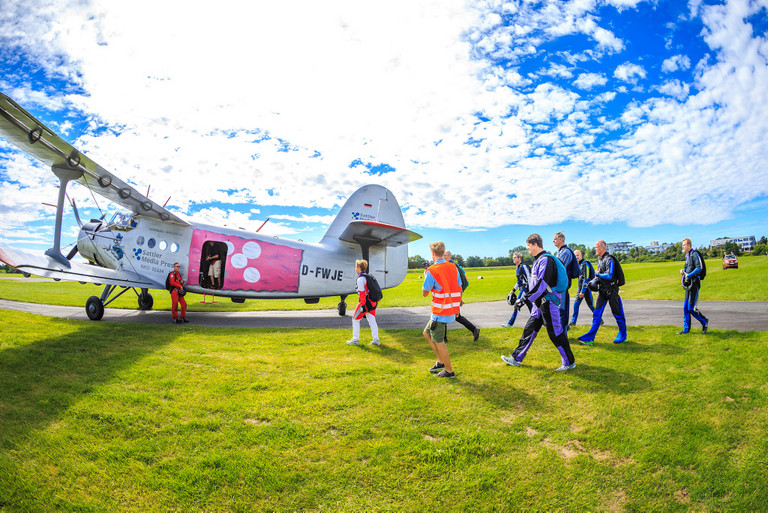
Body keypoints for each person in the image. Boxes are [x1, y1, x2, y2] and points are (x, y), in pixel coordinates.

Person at [501, 234, 576, 371]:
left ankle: (569, 362)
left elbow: (542, 284)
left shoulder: (546, 260)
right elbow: (533, 284)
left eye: (528, 245)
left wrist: (524, 299)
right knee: (529, 329)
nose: (527, 248)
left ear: (535, 244)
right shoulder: (537, 261)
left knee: (555, 332)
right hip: (538, 303)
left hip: (549, 302)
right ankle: (516, 358)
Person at [422, 241, 462, 378]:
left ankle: (449, 371)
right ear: (443, 252)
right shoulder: (453, 267)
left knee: (439, 341)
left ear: (433, 254)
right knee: (427, 333)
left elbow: (424, 292)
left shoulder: (431, 271)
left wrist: (425, 277)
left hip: (440, 312)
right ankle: (440, 362)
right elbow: (459, 286)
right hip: (450, 308)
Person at [577, 240, 627, 345]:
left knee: (618, 314)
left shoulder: (609, 259)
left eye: (596, 247)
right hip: (602, 291)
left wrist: (598, 274)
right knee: (596, 314)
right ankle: (590, 338)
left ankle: (623, 336)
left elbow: (609, 275)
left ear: (601, 248)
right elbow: (600, 274)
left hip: (612, 291)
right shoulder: (600, 259)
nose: (594, 249)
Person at [444, 250, 479, 341]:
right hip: (453, 295)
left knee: (449, 315)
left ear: (448, 256)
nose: (443, 257)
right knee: (454, 316)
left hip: (451, 296)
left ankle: (443, 338)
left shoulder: (452, 267)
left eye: (444, 255)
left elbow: (460, 284)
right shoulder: (455, 267)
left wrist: (459, 298)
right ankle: (474, 329)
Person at [678, 238, 709, 335]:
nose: (683, 247)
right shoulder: (687, 256)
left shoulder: (694, 254)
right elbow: (686, 267)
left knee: (691, 308)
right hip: (688, 284)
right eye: (682, 245)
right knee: (685, 308)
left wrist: (689, 275)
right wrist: (683, 270)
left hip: (694, 284)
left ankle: (704, 322)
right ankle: (686, 330)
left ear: (689, 246)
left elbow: (699, 268)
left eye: (684, 245)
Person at [346, 259, 380, 346]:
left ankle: (355, 340)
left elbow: (362, 294)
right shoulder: (367, 277)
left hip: (365, 303)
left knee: (355, 320)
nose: (355, 269)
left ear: (359, 268)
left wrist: (363, 306)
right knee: (372, 321)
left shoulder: (360, 279)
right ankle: (376, 340)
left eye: (356, 267)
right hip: (373, 303)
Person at [553, 232, 575, 332]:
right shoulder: (560, 252)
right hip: (560, 285)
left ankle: (563, 334)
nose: (553, 241)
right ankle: (564, 329)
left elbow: (560, 269)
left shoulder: (565, 252)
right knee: (559, 310)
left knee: (562, 311)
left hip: (563, 286)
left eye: (555, 239)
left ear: (561, 239)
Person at [503, 252, 531, 327]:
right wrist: (513, 290)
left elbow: (529, 278)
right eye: (513, 258)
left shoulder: (523, 266)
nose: (513, 259)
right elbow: (519, 281)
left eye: (515, 257)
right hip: (523, 288)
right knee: (531, 307)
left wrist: (530, 289)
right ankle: (541, 322)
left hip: (525, 289)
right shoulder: (517, 268)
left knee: (517, 304)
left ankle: (510, 323)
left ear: (519, 258)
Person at [569, 249, 596, 326]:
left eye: (578, 255)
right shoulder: (579, 265)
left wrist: (582, 291)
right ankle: (573, 321)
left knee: (591, 305)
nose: (576, 257)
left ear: (581, 256)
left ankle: (599, 319)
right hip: (580, 288)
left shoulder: (584, 264)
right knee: (576, 304)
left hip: (586, 288)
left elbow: (586, 279)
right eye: (575, 255)